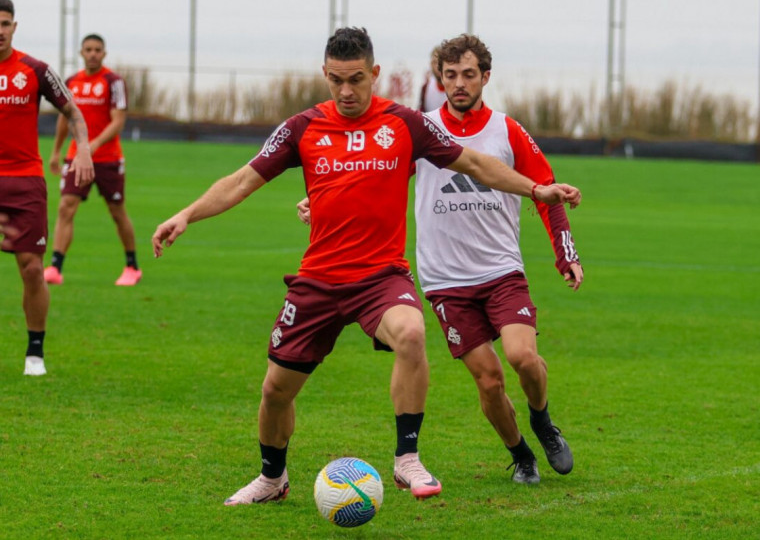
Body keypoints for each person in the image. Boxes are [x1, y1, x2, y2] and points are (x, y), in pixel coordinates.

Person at [152, 27, 581, 506]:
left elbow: (476, 164)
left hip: (381, 277)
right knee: (275, 391)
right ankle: (272, 479)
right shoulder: (302, 128)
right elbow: (241, 181)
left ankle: (407, 458)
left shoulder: (404, 124)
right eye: (336, 80)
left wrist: (535, 189)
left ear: (375, 74)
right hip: (317, 279)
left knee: (412, 333)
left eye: (356, 79)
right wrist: (186, 213)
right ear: (325, 75)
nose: (346, 91)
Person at [418, 34, 582, 484]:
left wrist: (565, 254)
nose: (458, 84)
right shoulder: (420, 129)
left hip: (500, 271)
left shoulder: (506, 130)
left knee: (523, 358)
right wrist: (320, 202)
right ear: (440, 79)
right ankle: (521, 455)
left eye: (468, 74)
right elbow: (377, 176)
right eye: (450, 75)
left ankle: (542, 421)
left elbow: (547, 189)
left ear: (485, 77)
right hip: (446, 281)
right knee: (488, 381)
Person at [0, 0, 94, 376]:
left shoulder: (35, 70)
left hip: (24, 181)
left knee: (31, 269)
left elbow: (72, 110)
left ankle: (34, 351)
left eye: (4, 23)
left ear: (14, 27)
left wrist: (83, 148)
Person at [45, 33, 140, 286]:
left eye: (98, 49)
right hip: (76, 158)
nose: (93, 53)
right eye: (88, 49)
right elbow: (64, 119)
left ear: (104, 53)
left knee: (117, 211)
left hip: (108, 158)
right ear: (81, 53)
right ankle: (55, 266)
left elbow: (118, 121)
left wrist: (93, 145)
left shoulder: (114, 81)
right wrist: (56, 151)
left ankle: (132, 266)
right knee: (66, 206)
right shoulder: (71, 82)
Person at [418, 45, 446, 112]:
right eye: (435, 62)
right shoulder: (425, 88)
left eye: (441, 62)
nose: (438, 66)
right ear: (430, 64)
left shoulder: (457, 87)